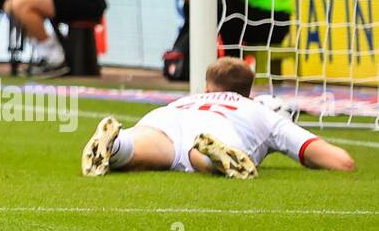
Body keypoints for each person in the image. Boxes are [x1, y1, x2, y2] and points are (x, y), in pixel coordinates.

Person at [81, 57, 355, 178]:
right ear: (248, 92)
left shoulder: (189, 99)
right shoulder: (261, 111)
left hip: (169, 117)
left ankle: (116, 146)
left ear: (208, 88)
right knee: (198, 153)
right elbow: (340, 162)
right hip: (222, 126)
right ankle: (214, 156)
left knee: (145, 145)